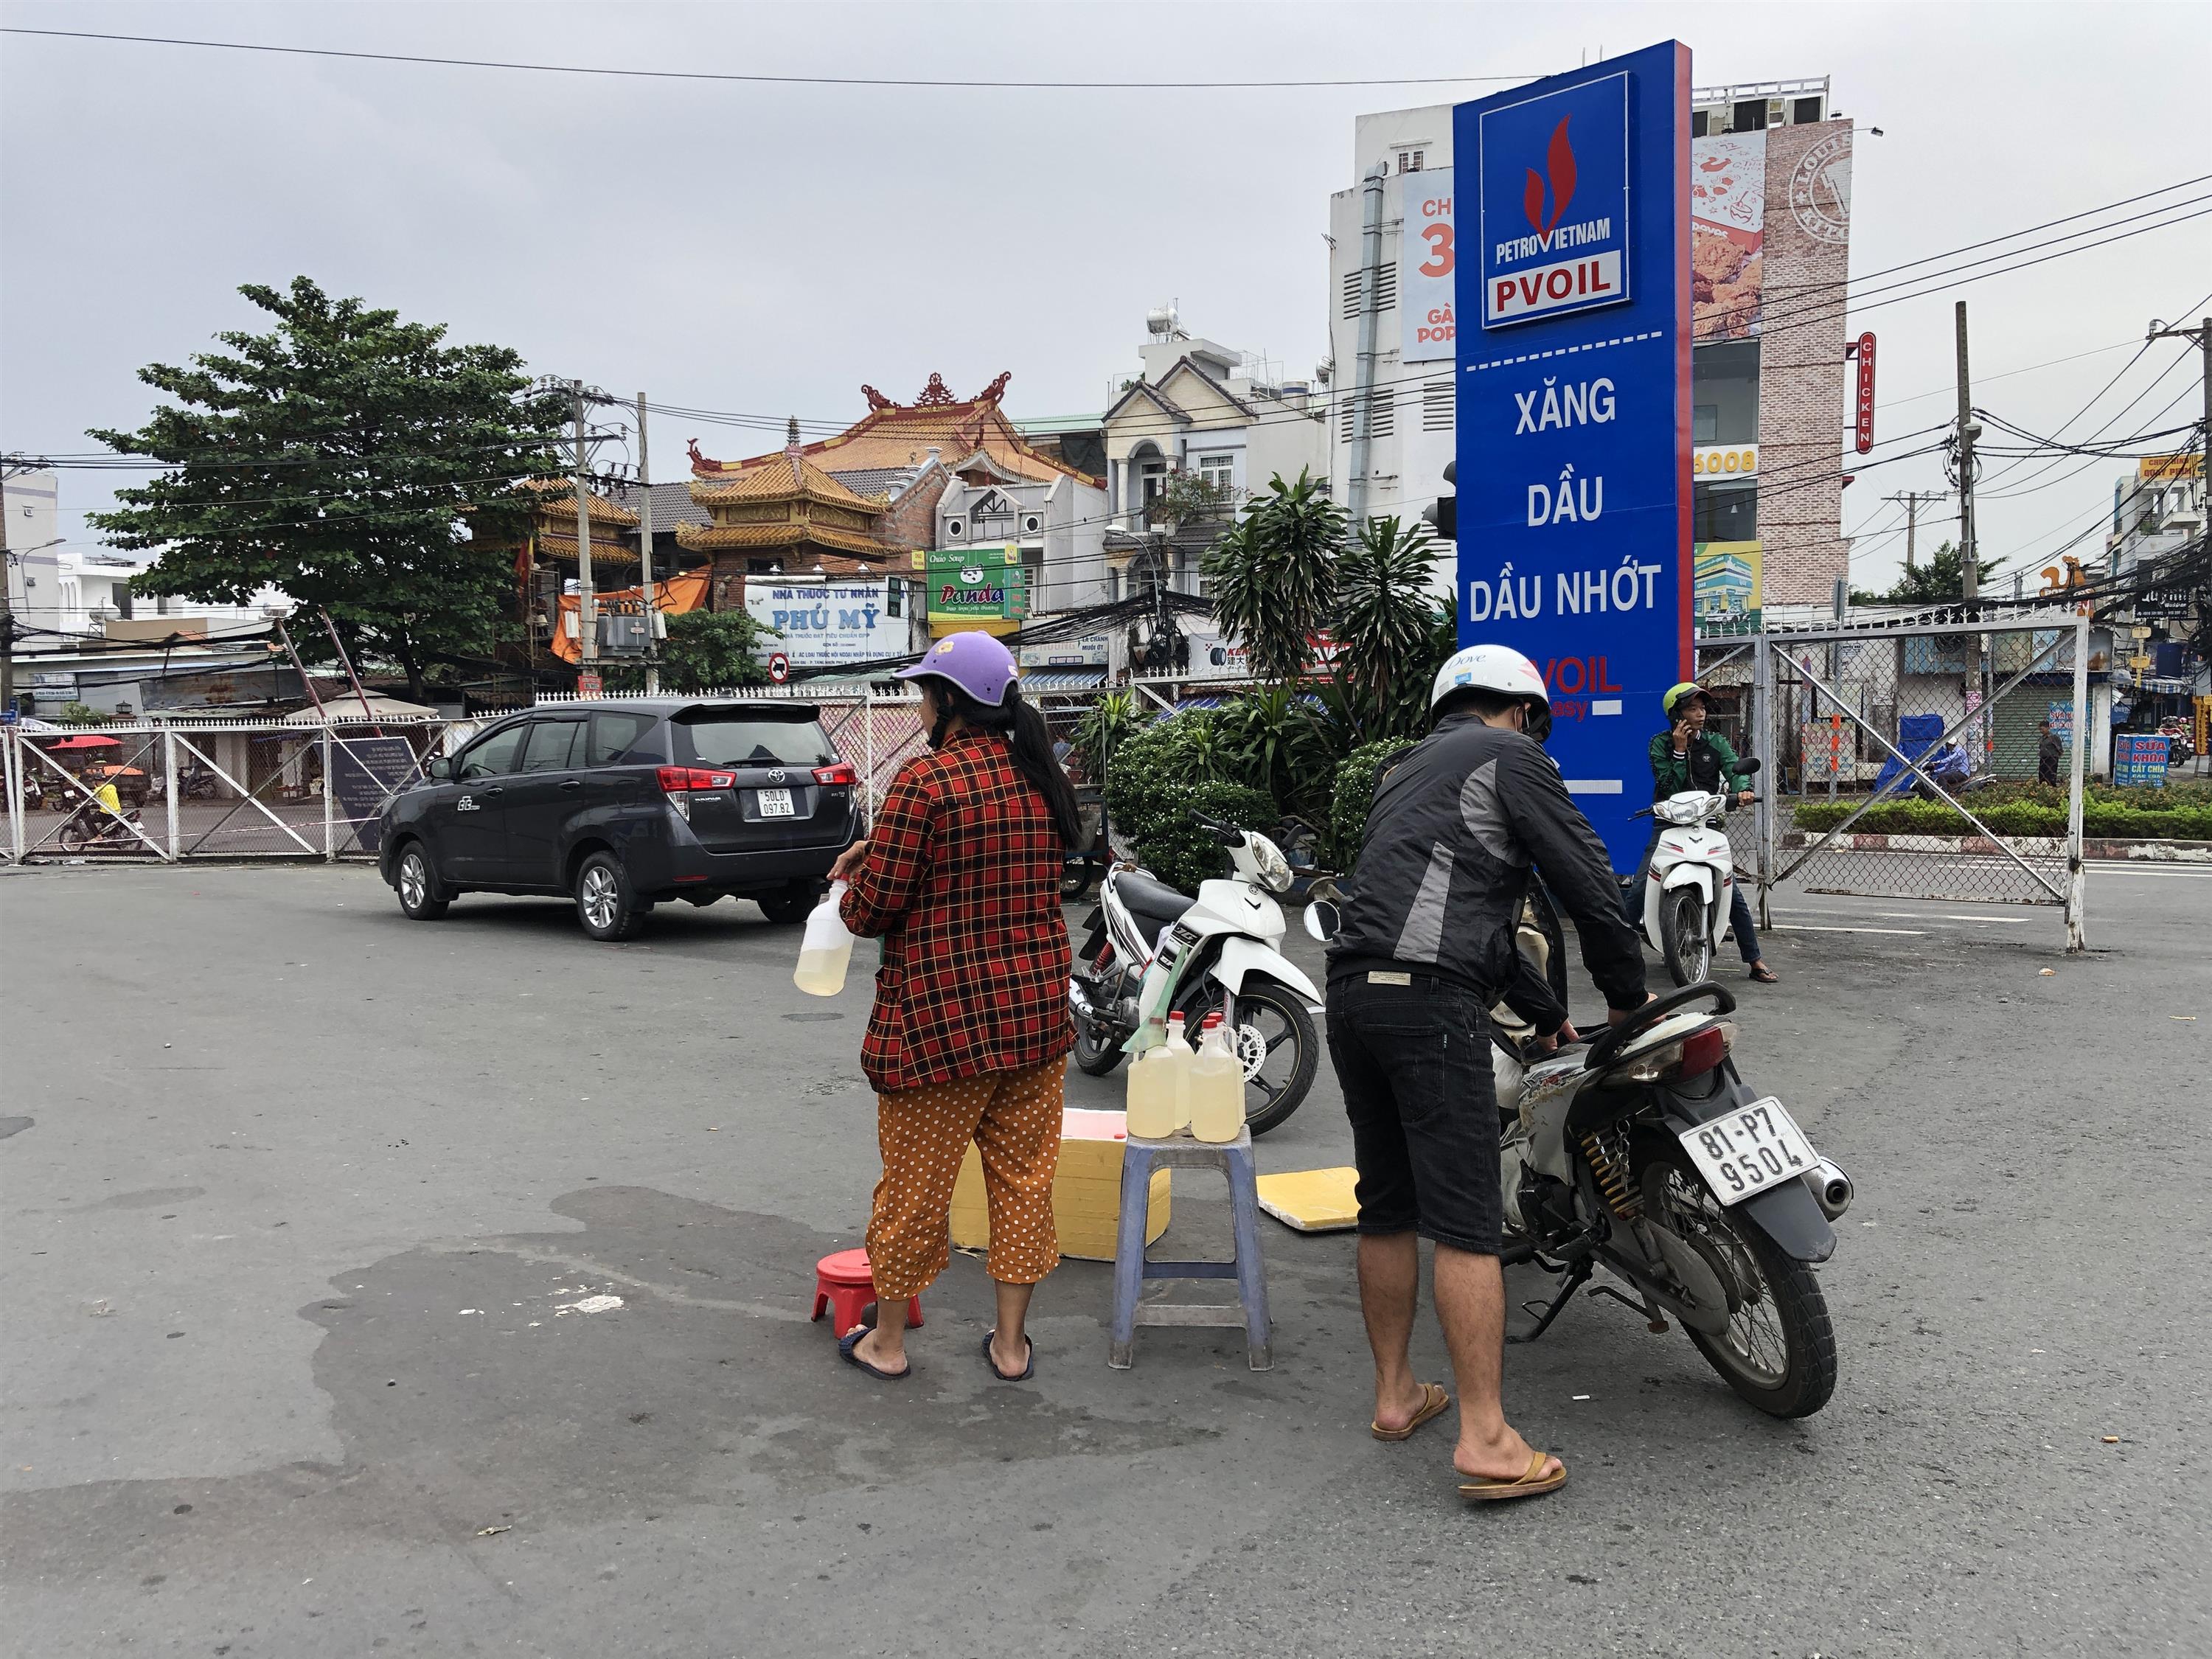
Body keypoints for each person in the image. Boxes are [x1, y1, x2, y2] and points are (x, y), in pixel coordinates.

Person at [1324, 644, 1650, 1503]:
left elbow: (1463, 918)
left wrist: (1545, 1013)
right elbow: (1587, 880)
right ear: (1523, 710)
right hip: (1429, 1006)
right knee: (1467, 1221)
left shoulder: (1403, 773)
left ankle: (1397, 1395)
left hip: (1352, 998)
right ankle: (1487, 1438)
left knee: (1386, 1205)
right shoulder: (1511, 754)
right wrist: (1627, 999)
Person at [827, 631, 1086, 1384]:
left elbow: (871, 911)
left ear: (949, 701)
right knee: (1024, 1185)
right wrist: (880, 847)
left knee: (914, 1189)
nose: (918, 706)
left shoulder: (925, 782)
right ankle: (1011, 1347)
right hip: (1035, 1023)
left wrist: (858, 874)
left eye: (922, 693)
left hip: (940, 1030)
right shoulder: (1042, 779)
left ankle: (887, 1344)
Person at [1625, 682, 1776, 985]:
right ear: (1676, 714)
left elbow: (1735, 769)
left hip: (1707, 824)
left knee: (1732, 893)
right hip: (1668, 825)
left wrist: (1743, 791)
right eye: (1692, 708)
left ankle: (1755, 959)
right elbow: (1668, 785)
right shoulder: (1660, 744)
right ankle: (1616, 954)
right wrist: (1679, 751)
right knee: (1639, 888)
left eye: (1703, 708)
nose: (1701, 714)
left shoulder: (1715, 743)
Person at [2038, 720, 2063, 787]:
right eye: (2040, 729)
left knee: (2050, 776)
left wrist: (2055, 756)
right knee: (2042, 776)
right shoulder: (2042, 738)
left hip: (2051, 759)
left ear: (2048, 728)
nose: (2041, 731)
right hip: (2043, 759)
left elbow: (2060, 749)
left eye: (2042, 729)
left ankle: (2051, 787)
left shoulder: (2054, 737)